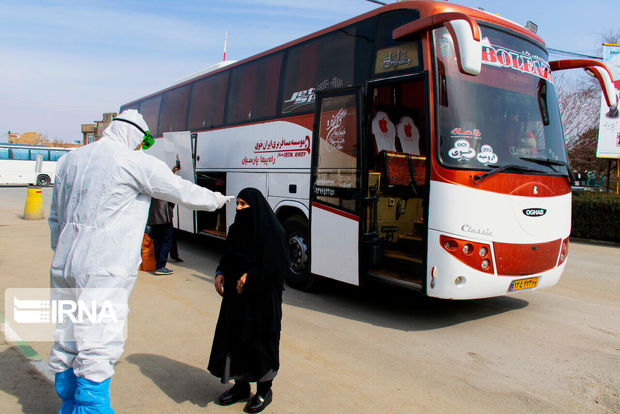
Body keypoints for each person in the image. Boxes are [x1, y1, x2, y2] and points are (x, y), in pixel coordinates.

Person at [48, 109, 233, 413]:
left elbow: (56, 216)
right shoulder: (134, 162)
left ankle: (68, 404)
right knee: (98, 339)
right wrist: (217, 200)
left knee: (67, 333)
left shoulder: (70, 160)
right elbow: (181, 191)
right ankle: (89, 408)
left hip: (64, 264)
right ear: (135, 135)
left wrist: (61, 250)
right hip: (103, 267)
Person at [208, 188, 289, 413]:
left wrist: (250, 276)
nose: (239, 208)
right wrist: (221, 271)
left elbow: (278, 265)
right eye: (238, 204)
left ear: (256, 206)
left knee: (261, 343)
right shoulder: (237, 229)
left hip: (262, 300)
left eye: (244, 205)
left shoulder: (272, 232)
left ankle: (264, 390)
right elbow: (228, 254)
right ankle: (240, 386)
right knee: (235, 338)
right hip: (236, 298)